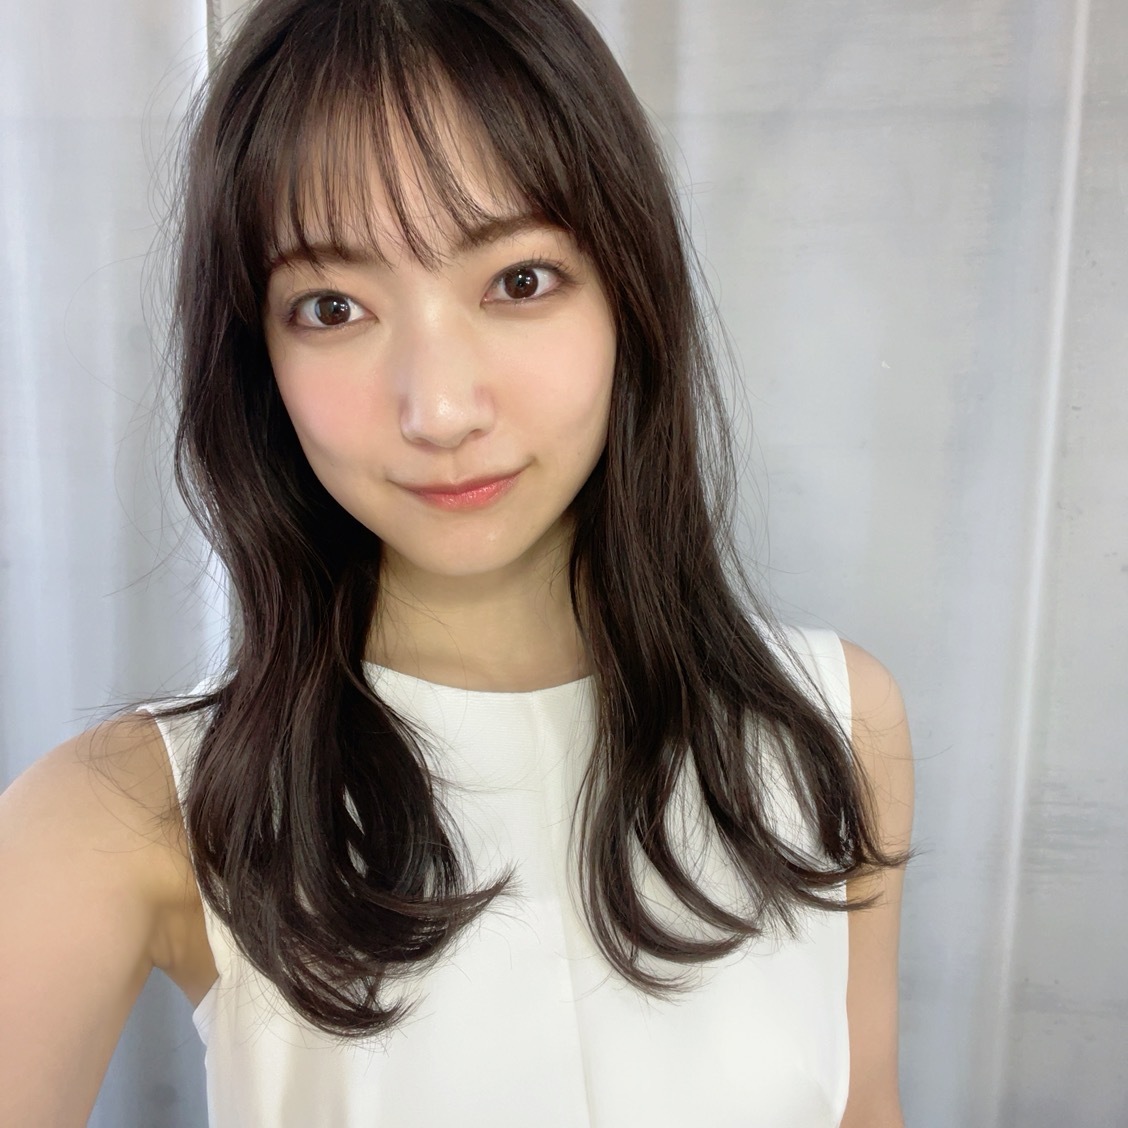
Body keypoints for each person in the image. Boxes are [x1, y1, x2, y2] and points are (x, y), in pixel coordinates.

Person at [0, 0, 915, 1124]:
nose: (437, 409)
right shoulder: (129, 812)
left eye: (519, 281)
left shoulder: (833, 728)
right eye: (332, 307)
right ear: (257, 358)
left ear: (629, 292)